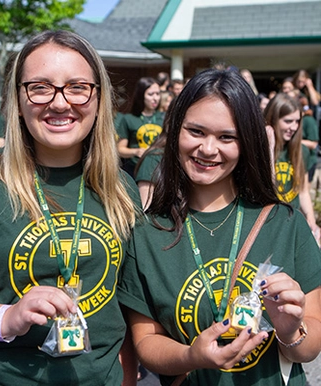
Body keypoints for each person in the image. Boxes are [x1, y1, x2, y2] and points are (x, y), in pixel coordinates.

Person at [0, 30, 140, 386]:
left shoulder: (122, 189)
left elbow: (124, 310)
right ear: (19, 97)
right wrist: (7, 318)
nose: (60, 103)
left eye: (77, 87)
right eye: (40, 87)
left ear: (98, 97)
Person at [118, 69, 321, 385]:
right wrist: (192, 356)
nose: (208, 149)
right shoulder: (146, 233)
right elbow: (146, 342)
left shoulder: (286, 223)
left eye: (227, 137)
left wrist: (289, 329)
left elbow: (309, 348)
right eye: (196, 131)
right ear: (175, 131)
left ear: (247, 142)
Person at [264, 93, 319, 236]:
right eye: (288, 121)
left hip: (291, 224)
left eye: (297, 121)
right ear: (273, 119)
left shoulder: (301, 151)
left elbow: (303, 191)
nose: (294, 127)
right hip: (267, 224)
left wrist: (311, 221)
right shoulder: (259, 151)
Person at [117, 77, 163, 177]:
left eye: (158, 94)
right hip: (134, 170)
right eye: (150, 94)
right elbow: (120, 149)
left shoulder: (164, 117)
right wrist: (136, 151)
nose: (155, 98)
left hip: (159, 169)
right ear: (141, 96)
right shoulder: (129, 119)